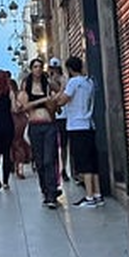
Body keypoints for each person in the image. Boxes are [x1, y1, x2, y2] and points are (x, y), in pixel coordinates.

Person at [56, 55, 104, 207]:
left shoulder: (73, 82)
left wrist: (61, 89)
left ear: (69, 69)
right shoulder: (88, 82)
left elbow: (62, 100)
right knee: (92, 161)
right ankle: (97, 194)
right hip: (89, 124)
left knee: (84, 162)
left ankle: (89, 197)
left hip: (76, 126)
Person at [18, 57, 60, 208]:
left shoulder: (47, 83)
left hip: (48, 124)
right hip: (34, 126)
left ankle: (52, 193)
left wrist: (54, 98)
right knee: (40, 162)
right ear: (31, 69)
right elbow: (24, 106)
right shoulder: (26, 85)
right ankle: (45, 190)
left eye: (40, 67)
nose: (37, 69)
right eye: (35, 67)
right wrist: (42, 101)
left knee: (49, 160)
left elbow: (61, 90)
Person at [48, 57, 70, 185]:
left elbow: (64, 95)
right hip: (53, 117)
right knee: (54, 146)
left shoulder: (64, 80)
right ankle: (57, 168)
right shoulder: (48, 81)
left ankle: (64, 169)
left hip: (64, 116)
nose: (54, 71)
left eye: (56, 68)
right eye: (53, 68)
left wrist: (60, 88)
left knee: (64, 145)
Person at [9, 77, 31, 178]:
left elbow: (17, 109)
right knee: (17, 144)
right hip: (17, 121)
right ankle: (17, 166)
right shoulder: (15, 94)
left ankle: (19, 168)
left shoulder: (17, 95)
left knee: (17, 144)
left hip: (17, 121)